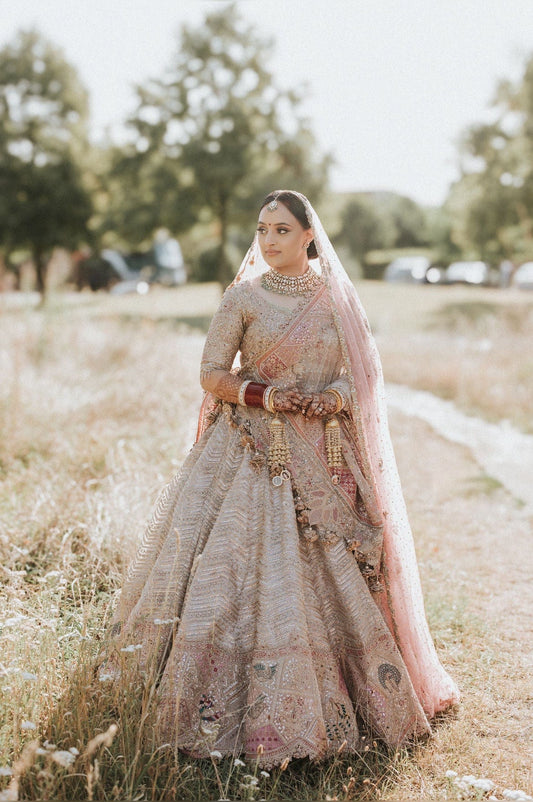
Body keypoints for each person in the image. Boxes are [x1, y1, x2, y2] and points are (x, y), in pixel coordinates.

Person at [106, 190, 459, 768]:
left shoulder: (336, 298)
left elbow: (363, 378)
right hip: (247, 450)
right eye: (263, 229)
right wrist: (265, 394)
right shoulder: (242, 297)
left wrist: (329, 399)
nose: (269, 241)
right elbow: (211, 374)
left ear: (308, 236)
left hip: (325, 455)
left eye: (282, 231)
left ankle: (350, 701)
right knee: (228, 571)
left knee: (333, 567)